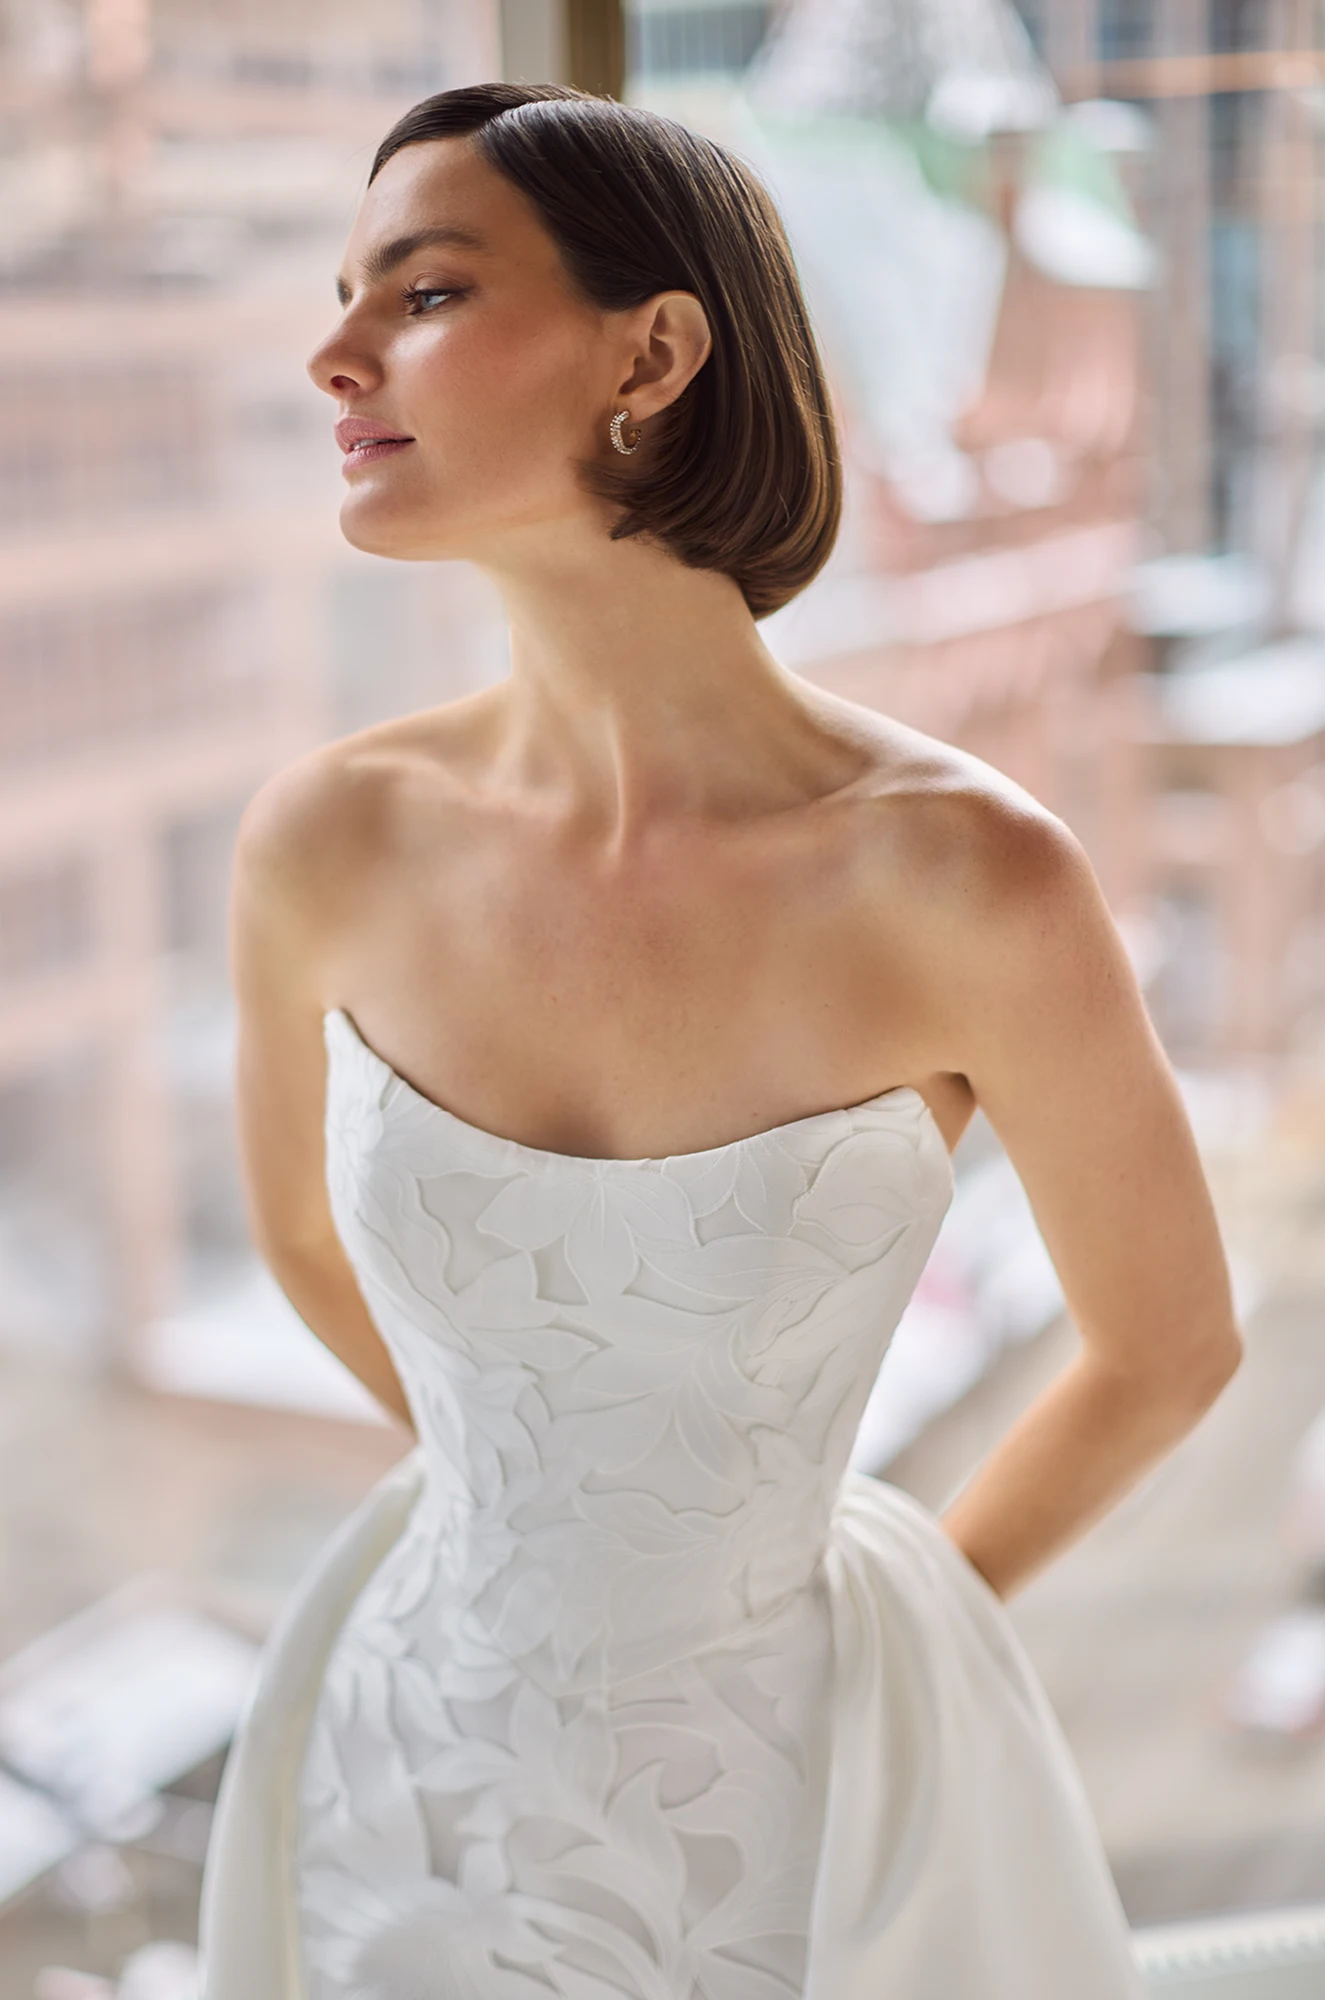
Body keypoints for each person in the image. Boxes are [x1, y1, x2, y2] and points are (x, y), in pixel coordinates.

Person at [197, 82, 1241, 2000]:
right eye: (345, 297)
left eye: (423, 292)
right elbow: (295, 1238)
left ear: (654, 353)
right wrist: (538, 1502)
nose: (334, 354)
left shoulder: (970, 877)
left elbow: (1170, 1347)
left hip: (807, 1811)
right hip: (412, 1769)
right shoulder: (323, 844)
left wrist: (896, 1628)